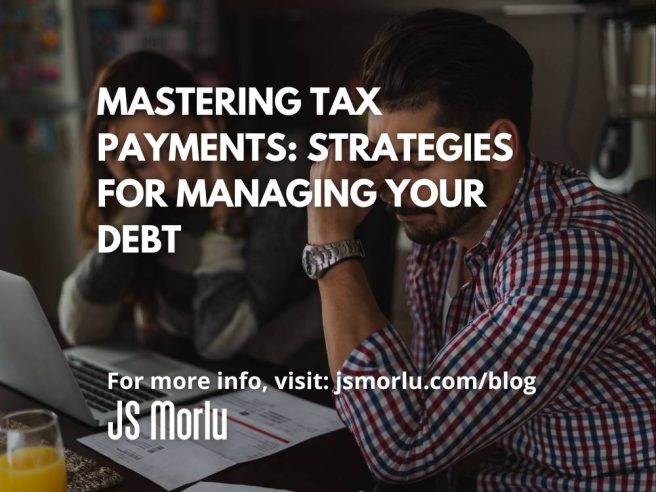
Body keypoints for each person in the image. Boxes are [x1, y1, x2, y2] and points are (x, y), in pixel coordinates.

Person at [304, 9, 655, 490]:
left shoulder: (575, 253)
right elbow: (424, 419)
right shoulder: (441, 239)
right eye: (376, 159)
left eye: (417, 161)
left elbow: (403, 447)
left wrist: (331, 245)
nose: (387, 189)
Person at [59, 51, 317, 362]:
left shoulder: (282, 179)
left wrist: (225, 214)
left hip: (282, 387)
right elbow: (79, 328)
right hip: (191, 379)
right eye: (142, 161)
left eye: (174, 144)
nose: (167, 174)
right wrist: (135, 206)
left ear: (209, 119)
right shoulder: (154, 195)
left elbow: (218, 339)